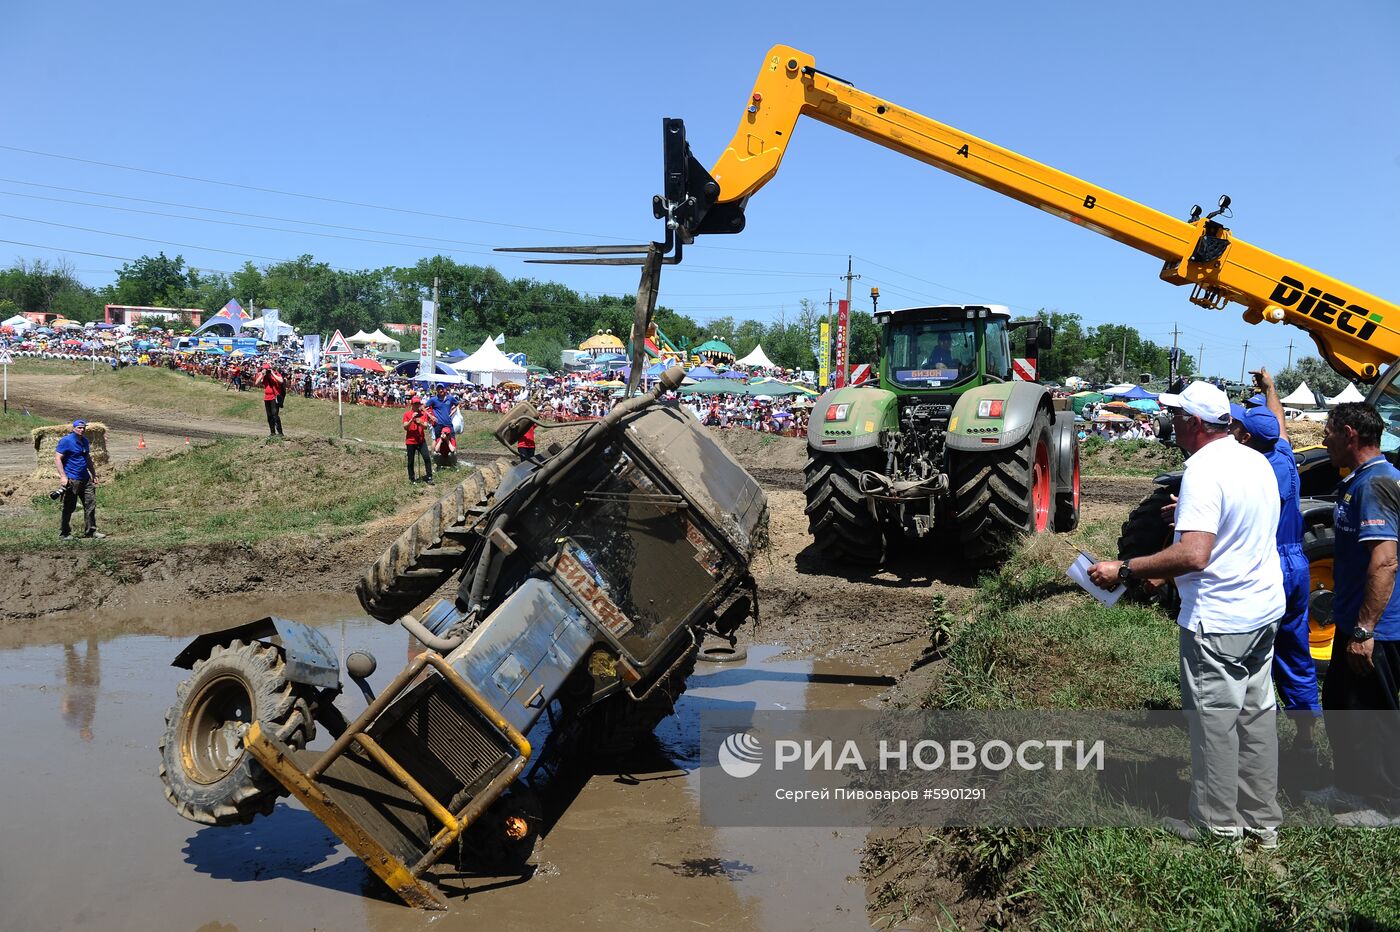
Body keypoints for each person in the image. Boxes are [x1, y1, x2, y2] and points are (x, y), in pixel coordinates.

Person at [1089, 380, 1285, 845]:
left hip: (1219, 620)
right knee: (1256, 719)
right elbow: (1237, 534)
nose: (1172, 424)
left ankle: (1218, 827)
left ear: (1195, 424)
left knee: (1214, 727)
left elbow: (1195, 554)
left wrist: (1126, 568)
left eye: (1177, 417)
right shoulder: (1255, 460)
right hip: (1262, 611)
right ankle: (1263, 823)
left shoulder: (1201, 470)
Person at [1306, 402, 1400, 825]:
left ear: (1349, 433)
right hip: (1350, 622)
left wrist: (1364, 631)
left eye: (1328, 431)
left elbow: (1384, 562)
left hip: (1378, 628)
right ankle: (1349, 786)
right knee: (1342, 706)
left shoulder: (1377, 484)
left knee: (1373, 717)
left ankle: (1385, 805)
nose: (1323, 439)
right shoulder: (1359, 480)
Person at [1229, 375, 1323, 775]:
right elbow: (1279, 421)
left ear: (1248, 438)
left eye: (1236, 427)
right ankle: (1306, 737)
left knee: (1249, 650)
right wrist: (1270, 388)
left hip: (1268, 563)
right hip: (1298, 563)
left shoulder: (1255, 470)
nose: (1231, 430)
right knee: (1296, 648)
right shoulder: (1283, 453)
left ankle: (1244, 741)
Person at [55, 419, 104, 540]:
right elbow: (57, 458)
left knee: (90, 504)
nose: (82, 430)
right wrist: (63, 476)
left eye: (83, 428)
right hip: (72, 479)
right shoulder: (66, 441)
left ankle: (91, 531)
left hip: (85, 478)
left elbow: (87, 458)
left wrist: (93, 474)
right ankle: (64, 533)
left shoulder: (85, 441)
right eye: (79, 428)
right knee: (69, 506)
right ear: (73, 428)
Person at [403, 395, 434, 484]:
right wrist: (411, 419)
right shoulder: (407, 414)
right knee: (411, 460)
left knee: (427, 458)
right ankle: (412, 478)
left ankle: (429, 476)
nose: (417, 405)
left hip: (421, 440)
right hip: (410, 441)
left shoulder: (423, 414)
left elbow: (425, 427)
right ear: (412, 404)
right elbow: (405, 427)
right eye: (415, 404)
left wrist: (419, 422)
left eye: (418, 404)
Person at [253, 363, 284, 436]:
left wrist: (272, 374)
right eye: (264, 369)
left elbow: (281, 381)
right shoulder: (263, 376)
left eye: (267, 369)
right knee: (269, 415)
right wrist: (262, 375)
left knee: (275, 415)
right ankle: (272, 432)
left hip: (274, 397)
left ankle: (280, 433)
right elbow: (256, 383)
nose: (266, 371)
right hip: (267, 397)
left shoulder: (276, 374)